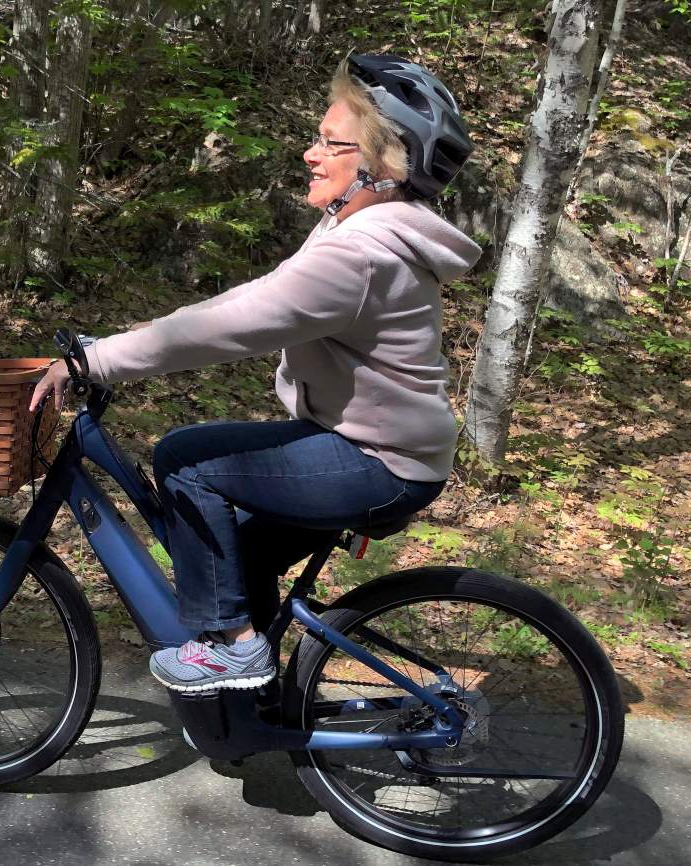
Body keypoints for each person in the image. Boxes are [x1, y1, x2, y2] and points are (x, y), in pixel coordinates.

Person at [29, 54, 482, 692]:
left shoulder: (359, 255)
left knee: (187, 461)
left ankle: (231, 649)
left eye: (331, 142)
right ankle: (256, 705)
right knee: (235, 555)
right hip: (376, 448)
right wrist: (111, 344)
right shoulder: (356, 230)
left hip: (379, 462)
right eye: (316, 137)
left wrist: (93, 361)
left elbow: (228, 327)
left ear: (382, 164)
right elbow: (247, 301)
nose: (310, 153)